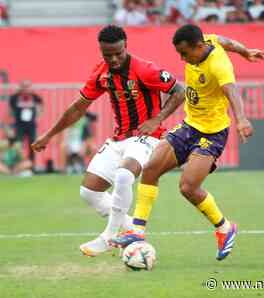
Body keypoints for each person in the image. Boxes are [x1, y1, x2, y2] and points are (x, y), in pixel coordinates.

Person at [113, 24, 264, 261]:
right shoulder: (205, 40)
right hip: (190, 125)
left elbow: (232, 91)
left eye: (185, 54)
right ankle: (137, 231)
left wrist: (242, 119)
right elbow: (225, 40)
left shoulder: (219, 64)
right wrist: (245, 50)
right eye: (179, 54)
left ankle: (225, 228)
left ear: (198, 47)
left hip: (212, 133)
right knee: (151, 168)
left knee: (188, 187)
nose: (182, 59)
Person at [31, 25, 185, 257]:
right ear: (101, 51)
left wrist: (157, 119)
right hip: (119, 138)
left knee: (124, 175)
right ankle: (131, 228)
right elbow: (78, 108)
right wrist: (49, 134)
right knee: (89, 192)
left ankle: (109, 236)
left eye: (118, 53)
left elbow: (180, 91)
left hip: (146, 136)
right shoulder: (101, 73)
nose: (113, 59)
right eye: (107, 55)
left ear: (126, 47)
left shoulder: (145, 69)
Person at [9, 80, 43, 167]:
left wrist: (37, 116)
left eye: (28, 86)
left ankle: (31, 166)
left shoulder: (35, 98)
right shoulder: (15, 98)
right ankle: (17, 166)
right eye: (24, 86)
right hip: (19, 125)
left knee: (33, 145)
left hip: (31, 126)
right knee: (18, 145)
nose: (26, 89)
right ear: (20, 88)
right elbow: (10, 111)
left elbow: (40, 108)